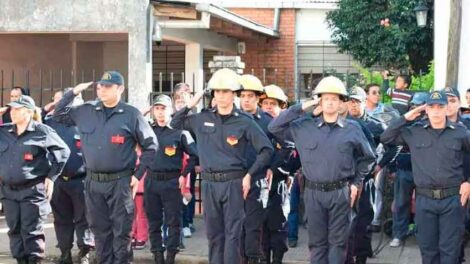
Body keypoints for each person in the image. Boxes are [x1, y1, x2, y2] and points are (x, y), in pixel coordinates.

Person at [53, 71, 159, 264]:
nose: (101, 90)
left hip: (120, 182)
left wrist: (138, 175)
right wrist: (73, 92)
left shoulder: (131, 114)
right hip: (93, 182)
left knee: (121, 233)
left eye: (107, 86)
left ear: (120, 89)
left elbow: (151, 146)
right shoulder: (86, 111)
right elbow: (58, 114)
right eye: (100, 86)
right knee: (100, 232)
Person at [268, 76, 376, 264]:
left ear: (342, 102)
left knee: (338, 244)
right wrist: (303, 106)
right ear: (319, 101)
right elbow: (274, 126)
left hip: (340, 192)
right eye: (326, 98)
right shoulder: (304, 127)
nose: (330, 103)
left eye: (335, 99)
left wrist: (356, 183)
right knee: (317, 244)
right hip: (313, 193)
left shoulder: (352, 128)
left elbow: (369, 157)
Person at [171, 68, 273, 264]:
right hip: (209, 183)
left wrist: (250, 174)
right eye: (217, 91)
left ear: (234, 94)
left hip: (234, 182)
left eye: (225, 91)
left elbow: (266, 150)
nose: (221, 96)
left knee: (233, 234)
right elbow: (175, 124)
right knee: (214, 236)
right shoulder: (202, 118)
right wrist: (191, 103)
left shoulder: (244, 121)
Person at [381, 90, 470, 264]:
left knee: (450, 252)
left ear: (447, 109)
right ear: (426, 110)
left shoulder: (460, 133)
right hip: (424, 199)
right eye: (431, 106)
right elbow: (386, 137)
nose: (436, 111)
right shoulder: (414, 132)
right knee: (428, 251)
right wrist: (408, 116)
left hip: (453, 200)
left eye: (440, 106)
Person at [0, 95, 70, 264]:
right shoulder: (4, 131)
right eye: (12, 109)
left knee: (31, 232)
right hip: (8, 191)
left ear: (29, 112)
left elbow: (63, 152)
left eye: (18, 109)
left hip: (32, 191)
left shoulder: (41, 131)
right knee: (14, 231)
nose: (13, 112)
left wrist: (51, 177)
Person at [144, 94, 197, 264]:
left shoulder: (180, 133)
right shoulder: (147, 131)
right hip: (151, 181)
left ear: (171, 110)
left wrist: (184, 174)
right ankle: (158, 256)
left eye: (163, 109)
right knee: (153, 222)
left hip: (171, 183)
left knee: (173, 221)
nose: (160, 113)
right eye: (157, 109)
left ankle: (170, 257)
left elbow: (194, 155)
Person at [44, 90, 94, 264]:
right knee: (61, 219)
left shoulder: (87, 124)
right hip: (58, 180)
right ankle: (65, 252)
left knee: (83, 219)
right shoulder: (51, 123)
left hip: (81, 179)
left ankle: (84, 252)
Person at [238, 74, 273, 264]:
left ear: (258, 97)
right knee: (236, 226)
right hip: (234, 178)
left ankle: (252, 259)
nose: (246, 100)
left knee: (253, 226)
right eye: (242, 96)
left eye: (250, 96)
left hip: (257, 178)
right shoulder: (230, 119)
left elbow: (284, 146)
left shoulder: (266, 121)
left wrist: (272, 167)